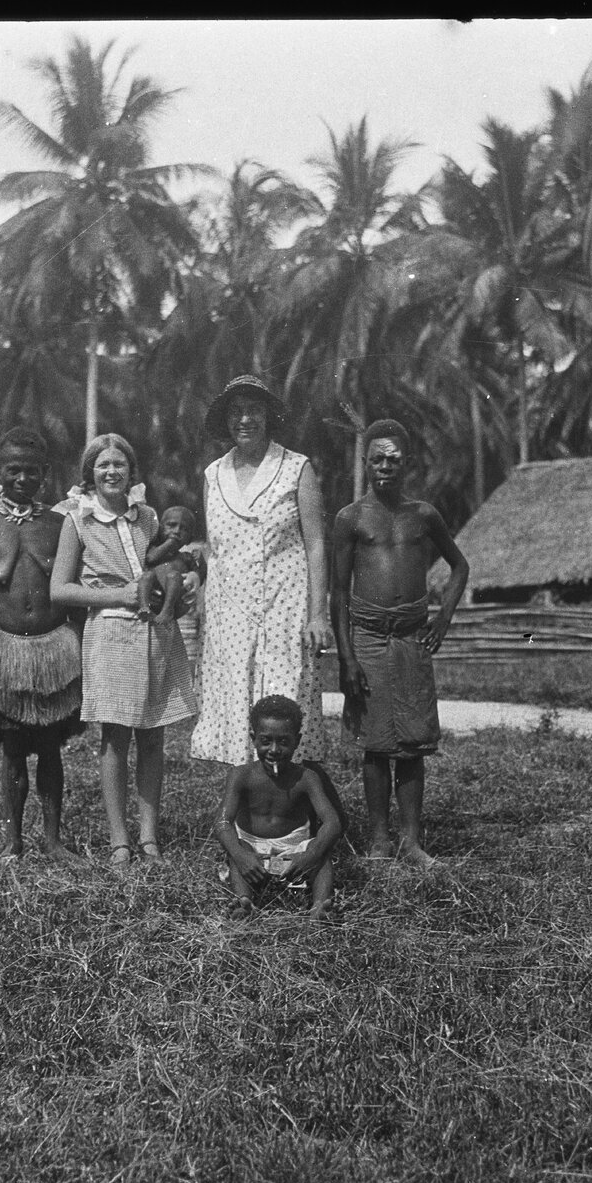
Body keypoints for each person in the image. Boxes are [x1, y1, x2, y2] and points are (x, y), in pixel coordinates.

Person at [191, 374, 344, 824]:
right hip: (230, 616)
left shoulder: (296, 468)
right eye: (236, 411)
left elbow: (316, 543)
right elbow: (215, 550)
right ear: (225, 420)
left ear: (268, 415)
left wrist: (318, 614)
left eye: (253, 410)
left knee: (286, 711)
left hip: (285, 609)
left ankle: (313, 822)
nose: (245, 419)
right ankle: (247, 825)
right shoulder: (213, 474)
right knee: (240, 717)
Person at [51, 435, 198, 871]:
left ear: (132, 472)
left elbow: (164, 566)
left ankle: (149, 839)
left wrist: (183, 590)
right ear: (90, 474)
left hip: (156, 633)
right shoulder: (77, 521)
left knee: (153, 736)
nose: (112, 472)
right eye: (103, 465)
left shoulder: (148, 517)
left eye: (119, 464)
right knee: (115, 737)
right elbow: (60, 589)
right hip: (111, 634)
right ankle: (120, 841)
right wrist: (119, 594)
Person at [330, 419, 469, 866]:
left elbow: (459, 566)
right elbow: (338, 593)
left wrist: (443, 617)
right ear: (365, 463)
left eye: (393, 459)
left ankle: (411, 841)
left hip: (411, 637)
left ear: (406, 463)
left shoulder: (423, 515)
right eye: (377, 460)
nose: (385, 467)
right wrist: (347, 658)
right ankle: (379, 840)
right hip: (368, 638)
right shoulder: (350, 518)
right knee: (376, 745)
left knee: (412, 744)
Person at [0, 426, 85, 863]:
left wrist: (80, 649)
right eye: (14, 470)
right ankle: (13, 842)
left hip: (54, 651)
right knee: (13, 751)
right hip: (4, 651)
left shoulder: (60, 525)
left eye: (32, 471)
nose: (22, 479)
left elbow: (75, 592)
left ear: (44, 473)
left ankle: (52, 841)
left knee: (50, 748)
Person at [214, 695, 342, 921]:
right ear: (253, 739)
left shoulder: (306, 778)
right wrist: (240, 855)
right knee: (238, 847)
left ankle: (320, 907)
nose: (274, 750)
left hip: (295, 856)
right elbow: (222, 822)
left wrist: (311, 854)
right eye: (266, 741)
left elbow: (332, 822)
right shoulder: (240, 775)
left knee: (322, 853)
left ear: (297, 741)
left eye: (284, 742)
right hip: (254, 857)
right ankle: (244, 903)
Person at [137, 504, 206, 627]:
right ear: (160, 529)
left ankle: (167, 610)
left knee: (174, 576)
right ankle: (143, 608)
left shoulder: (185, 557)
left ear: (189, 539)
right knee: (147, 576)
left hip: (176, 602)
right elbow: (150, 559)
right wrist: (170, 543)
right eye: (171, 525)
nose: (177, 531)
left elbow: (198, 578)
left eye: (184, 529)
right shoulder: (154, 550)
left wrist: (201, 562)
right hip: (154, 597)